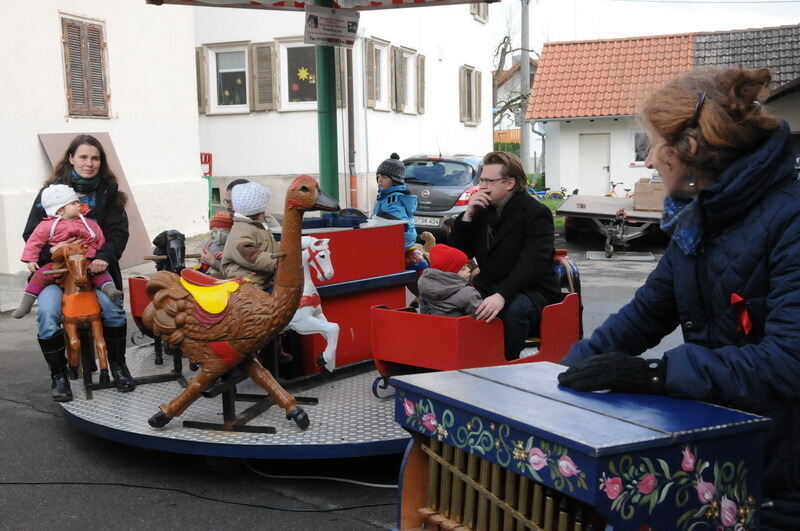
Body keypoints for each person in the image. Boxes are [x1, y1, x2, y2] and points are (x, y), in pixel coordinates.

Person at [556, 67, 800, 527]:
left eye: (651, 145)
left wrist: (653, 374)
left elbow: (789, 361)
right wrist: (560, 377)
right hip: (721, 452)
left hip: (783, 474)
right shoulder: (697, 219)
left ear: (687, 150)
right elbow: (643, 315)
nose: (649, 161)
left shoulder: (791, 220)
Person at [23, 134, 134, 401]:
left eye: (95, 158)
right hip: (56, 273)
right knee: (47, 314)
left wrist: (103, 258)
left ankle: (118, 365)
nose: (89, 163)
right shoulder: (49, 195)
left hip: (96, 270)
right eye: (83, 157)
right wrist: (53, 251)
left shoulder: (109, 192)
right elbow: (31, 235)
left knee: (112, 309)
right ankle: (59, 376)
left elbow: (119, 233)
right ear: (71, 159)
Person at [449, 151, 560, 360]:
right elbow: (460, 253)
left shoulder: (536, 213)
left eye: (488, 181)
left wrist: (502, 295)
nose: (482, 186)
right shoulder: (482, 210)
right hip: (489, 285)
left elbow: (531, 265)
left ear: (509, 183)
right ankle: (462, 361)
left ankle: (503, 367)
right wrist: (467, 215)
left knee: (512, 310)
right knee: (454, 302)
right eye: (481, 179)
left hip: (532, 291)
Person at [13, 184, 123, 318]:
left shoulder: (88, 223)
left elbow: (99, 238)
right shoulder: (46, 226)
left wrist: (99, 257)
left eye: (77, 201)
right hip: (58, 262)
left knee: (99, 273)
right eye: (73, 203)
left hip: (85, 260)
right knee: (40, 275)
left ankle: (110, 290)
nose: (78, 204)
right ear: (59, 210)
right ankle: (26, 304)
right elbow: (34, 242)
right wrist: (31, 260)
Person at [371, 153, 425, 270]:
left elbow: (398, 222)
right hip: (392, 240)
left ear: (395, 180)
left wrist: (376, 219)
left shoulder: (394, 198)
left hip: (400, 242)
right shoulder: (384, 196)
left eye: (384, 177)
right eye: (378, 176)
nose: (380, 180)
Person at [221, 181, 278, 289]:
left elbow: (272, 246)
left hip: (262, 279)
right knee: (263, 303)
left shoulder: (258, 226)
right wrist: (278, 263)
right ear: (260, 211)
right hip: (245, 283)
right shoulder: (241, 228)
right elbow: (250, 255)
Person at [417, 244, 482, 318]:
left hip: (434, 327)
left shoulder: (425, 289)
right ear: (451, 274)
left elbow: (424, 313)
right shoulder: (468, 293)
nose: (468, 269)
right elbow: (480, 316)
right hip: (460, 328)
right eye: (463, 269)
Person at [196, 211, 232, 277]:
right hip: (205, 272)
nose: (214, 231)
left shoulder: (232, 245)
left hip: (220, 276)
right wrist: (201, 254)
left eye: (219, 228)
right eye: (212, 228)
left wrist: (226, 254)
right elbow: (197, 249)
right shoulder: (208, 241)